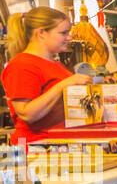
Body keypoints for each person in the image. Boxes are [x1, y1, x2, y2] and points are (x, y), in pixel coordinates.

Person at [2, 7, 90, 143]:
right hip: (36, 149)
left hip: (59, 145)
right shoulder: (22, 65)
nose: (69, 37)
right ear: (42, 33)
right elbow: (27, 113)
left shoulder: (55, 64)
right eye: (63, 33)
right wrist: (64, 85)